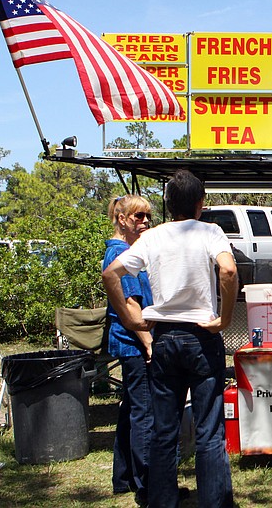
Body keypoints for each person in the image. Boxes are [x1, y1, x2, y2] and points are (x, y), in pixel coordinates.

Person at [102, 169, 238, 508]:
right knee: (208, 429)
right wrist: (224, 318)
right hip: (201, 335)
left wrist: (132, 317)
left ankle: (161, 502)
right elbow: (229, 270)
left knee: (164, 431)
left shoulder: (153, 236)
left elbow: (111, 273)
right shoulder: (210, 231)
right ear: (200, 203)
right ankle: (215, 502)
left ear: (167, 203)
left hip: (163, 337)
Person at [104, 194, 154, 506]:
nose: (146, 221)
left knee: (130, 409)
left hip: (127, 341)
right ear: (123, 220)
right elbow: (133, 304)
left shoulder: (119, 249)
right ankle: (149, 484)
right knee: (144, 412)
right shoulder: (122, 253)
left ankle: (122, 477)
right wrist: (149, 344)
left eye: (148, 215)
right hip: (134, 343)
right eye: (138, 217)